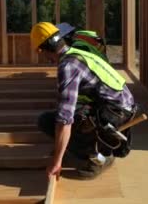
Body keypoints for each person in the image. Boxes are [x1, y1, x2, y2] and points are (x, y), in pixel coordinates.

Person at [31, 22, 137, 180]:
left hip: (115, 113)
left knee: (49, 121)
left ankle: (98, 160)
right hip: (121, 107)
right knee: (65, 116)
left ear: (44, 49)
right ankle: (87, 150)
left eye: (41, 52)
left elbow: (64, 119)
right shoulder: (77, 52)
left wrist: (56, 162)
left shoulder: (68, 66)